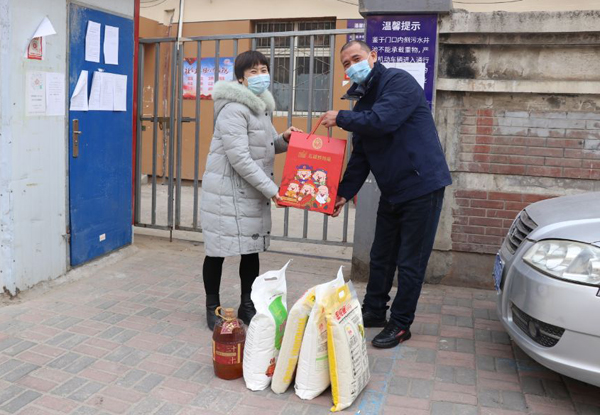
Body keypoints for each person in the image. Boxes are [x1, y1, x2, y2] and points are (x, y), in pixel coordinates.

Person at [322, 40, 452, 349]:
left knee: (410, 261)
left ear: (373, 56)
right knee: (380, 255)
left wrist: (340, 118)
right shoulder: (362, 104)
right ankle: (374, 310)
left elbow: (383, 121)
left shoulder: (397, 81)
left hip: (422, 186)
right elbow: (361, 156)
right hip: (393, 190)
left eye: (356, 58)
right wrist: (343, 194)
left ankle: (401, 323)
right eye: (346, 63)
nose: (352, 66)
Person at [200, 50, 301, 330]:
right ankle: (212, 307)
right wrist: (272, 190)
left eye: (263, 70)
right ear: (241, 79)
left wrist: (284, 139)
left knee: (251, 249)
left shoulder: (259, 106)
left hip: (248, 190)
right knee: (218, 250)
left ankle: (247, 304)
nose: (260, 76)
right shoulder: (234, 108)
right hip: (226, 191)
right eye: (253, 71)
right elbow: (240, 158)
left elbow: (264, 146)